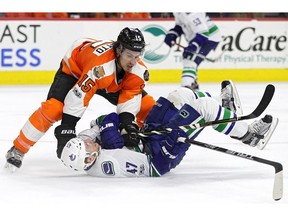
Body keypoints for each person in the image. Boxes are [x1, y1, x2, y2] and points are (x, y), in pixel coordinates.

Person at [5, 27, 156, 172]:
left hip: (106, 80)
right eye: (129, 55)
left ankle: (152, 144)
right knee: (53, 109)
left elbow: (130, 97)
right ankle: (18, 149)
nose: (133, 61)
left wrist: (127, 125)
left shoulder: (137, 70)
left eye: (137, 56)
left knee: (147, 106)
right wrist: (67, 128)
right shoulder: (100, 67)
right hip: (75, 69)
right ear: (119, 50)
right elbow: (79, 97)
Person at [59, 84, 278, 177]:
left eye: (85, 142)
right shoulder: (109, 162)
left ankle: (224, 109)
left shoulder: (87, 149)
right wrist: (112, 130)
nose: (88, 142)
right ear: (88, 159)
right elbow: (114, 136)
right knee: (202, 109)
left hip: (150, 137)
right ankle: (251, 136)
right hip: (160, 154)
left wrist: (119, 128)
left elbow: (106, 120)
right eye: (87, 147)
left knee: (180, 96)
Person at [164, 13, 222, 91]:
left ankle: (186, 88)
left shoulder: (192, 13)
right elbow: (180, 26)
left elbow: (204, 33)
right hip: (201, 37)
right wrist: (173, 34)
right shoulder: (178, 12)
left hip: (210, 38)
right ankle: (192, 85)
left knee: (189, 60)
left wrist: (193, 46)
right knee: (188, 58)